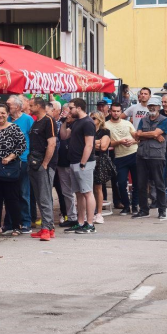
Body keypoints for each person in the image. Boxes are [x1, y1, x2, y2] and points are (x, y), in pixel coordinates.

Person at [0, 103, 27, 236]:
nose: (0, 115)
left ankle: (16, 226)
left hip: (10, 168)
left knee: (12, 198)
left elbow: (22, 145)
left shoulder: (14, 128)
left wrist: (9, 157)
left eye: (3, 113)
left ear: (7, 114)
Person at [61, 99, 96, 233]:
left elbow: (89, 144)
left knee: (87, 192)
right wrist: (64, 121)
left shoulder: (87, 123)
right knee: (79, 193)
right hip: (74, 161)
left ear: (79, 107)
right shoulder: (76, 122)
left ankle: (90, 223)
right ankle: (80, 222)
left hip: (83, 162)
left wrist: (83, 162)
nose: (69, 111)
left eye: (71, 108)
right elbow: (64, 136)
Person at [133, 97, 167, 219]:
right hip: (142, 155)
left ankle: (162, 210)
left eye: (155, 105)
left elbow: (143, 134)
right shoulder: (143, 120)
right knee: (141, 184)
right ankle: (143, 210)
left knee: (159, 184)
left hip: (157, 156)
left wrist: (147, 134)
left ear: (159, 107)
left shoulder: (164, 120)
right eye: (150, 106)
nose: (152, 107)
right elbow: (137, 136)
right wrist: (154, 136)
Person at [27, 97, 57, 240]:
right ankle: (47, 226)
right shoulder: (35, 122)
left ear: (39, 106)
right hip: (34, 162)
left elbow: (52, 143)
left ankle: (47, 228)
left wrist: (45, 163)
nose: (30, 107)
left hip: (43, 164)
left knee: (45, 196)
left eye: (32, 105)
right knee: (39, 196)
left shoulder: (48, 120)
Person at [7, 95, 35, 232]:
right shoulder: (6, 119)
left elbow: (34, 138)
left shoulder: (28, 119)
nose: (6, 107)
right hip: (7, 161)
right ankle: (12, 222)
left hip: (23, 160)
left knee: (24, 192)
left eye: (9, 105)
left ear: (17, 107)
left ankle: (26, 222)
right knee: (10, 193)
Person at [105, 103, 138, 214]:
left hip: (134, 153)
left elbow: (137, 138)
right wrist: (119, 142)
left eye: (118, 111)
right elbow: (107, 143)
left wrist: (132, 141)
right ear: (110, 111)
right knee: (121, 183)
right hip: (119, 157)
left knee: (136, 182)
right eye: (114, 111)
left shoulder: (127, 123)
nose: (116, 113)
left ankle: (135, 206)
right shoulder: (106, 125)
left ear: (121, 112)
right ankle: (126, 205)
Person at [54, 101, 78, 225]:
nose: (66, 114)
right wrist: (63, 122)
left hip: (76, 162)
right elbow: (61, 137)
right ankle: (71, 217)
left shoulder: (80, 123)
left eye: (69, 111)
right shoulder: (60, 124)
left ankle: (83, 217)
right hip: (62, 162)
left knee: (81, 191)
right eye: (64, 111)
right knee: (66, 192)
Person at [91, 112, 116, 225]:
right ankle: (90, 212)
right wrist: (96, 143)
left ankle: (99, 213)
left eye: (94, 118)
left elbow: (103, 146)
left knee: (98, 187)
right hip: (89, 159)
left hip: (99, 161)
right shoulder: (88, 130)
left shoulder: (105, 131)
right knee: (87, 188)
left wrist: (90, 143)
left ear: (100, 120)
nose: (91, 120)